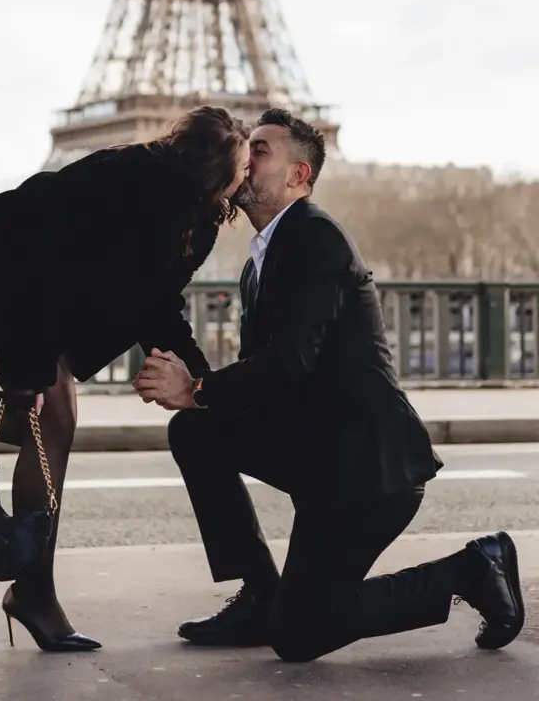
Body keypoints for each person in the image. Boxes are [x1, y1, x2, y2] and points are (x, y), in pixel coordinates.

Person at [0, 106, 250, 653]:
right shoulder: (124, 175)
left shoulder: (195, 221)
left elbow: (156, 304)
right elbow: (35, 257)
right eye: (244, 167)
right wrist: (28, 363)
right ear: (213, 169)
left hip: (46, 296)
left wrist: (201, 383)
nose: (248, 178)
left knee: (44, 418)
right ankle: (34, 593)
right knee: (51, 418)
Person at [133, 108, 524, 662]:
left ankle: (472, 570)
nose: (245, 158)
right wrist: (197, 398)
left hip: (367, 469)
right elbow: (267, 380)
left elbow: (291, 361)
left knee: (300, 634)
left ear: (298, 176)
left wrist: (196, 388)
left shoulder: (315, 238)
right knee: (195, 434)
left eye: (261, 150)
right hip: (321, 454)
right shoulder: (262, 258)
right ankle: (259, 593)